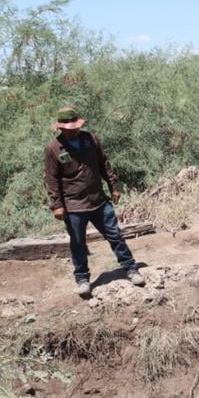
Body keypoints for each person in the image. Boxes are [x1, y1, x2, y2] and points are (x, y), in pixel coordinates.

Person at [44, 106, 145, 297]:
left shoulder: (90, 139)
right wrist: (57, 205)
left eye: (75, 126)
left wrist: (113, 186)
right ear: (61, 128)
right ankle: (82, 278)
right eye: (68, 128)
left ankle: (131, 268)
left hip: (98, 200)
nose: (73, 130)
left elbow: (104, 164)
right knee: (78, 243)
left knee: (115, 235)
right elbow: (51, 179)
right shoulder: (53, 148)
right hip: (73, 205)